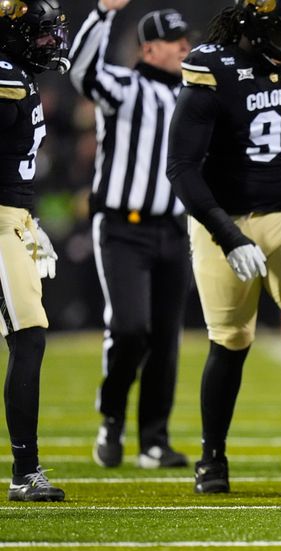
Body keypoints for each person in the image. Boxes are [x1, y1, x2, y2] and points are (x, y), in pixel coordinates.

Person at [166, 0, 281, 494]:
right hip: (225, 218)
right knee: (231, 341)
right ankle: (212, 456)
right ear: (254, 31)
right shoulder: (213, 68)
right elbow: (182, 169)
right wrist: (227, 235)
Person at [69, 0, 192, 469]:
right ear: (148, 49)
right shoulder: (123, 85)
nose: (185, 47)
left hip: (173, 231)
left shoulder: (192, 94)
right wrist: (102, 13)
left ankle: (154, 441)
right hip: (123, 228)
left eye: (186, 40)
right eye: (174, 41)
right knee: (128, 328)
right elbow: (82, 71)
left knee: (166, 338)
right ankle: (112, 419)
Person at [0, 0, 68, 501]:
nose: (50, 42)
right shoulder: (5, 78)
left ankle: (26, 470)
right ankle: (25, 471)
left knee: (29, 336)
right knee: (29, 334)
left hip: (13, 219)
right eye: (40, 34)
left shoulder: (18, 74)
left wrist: (27, 218)